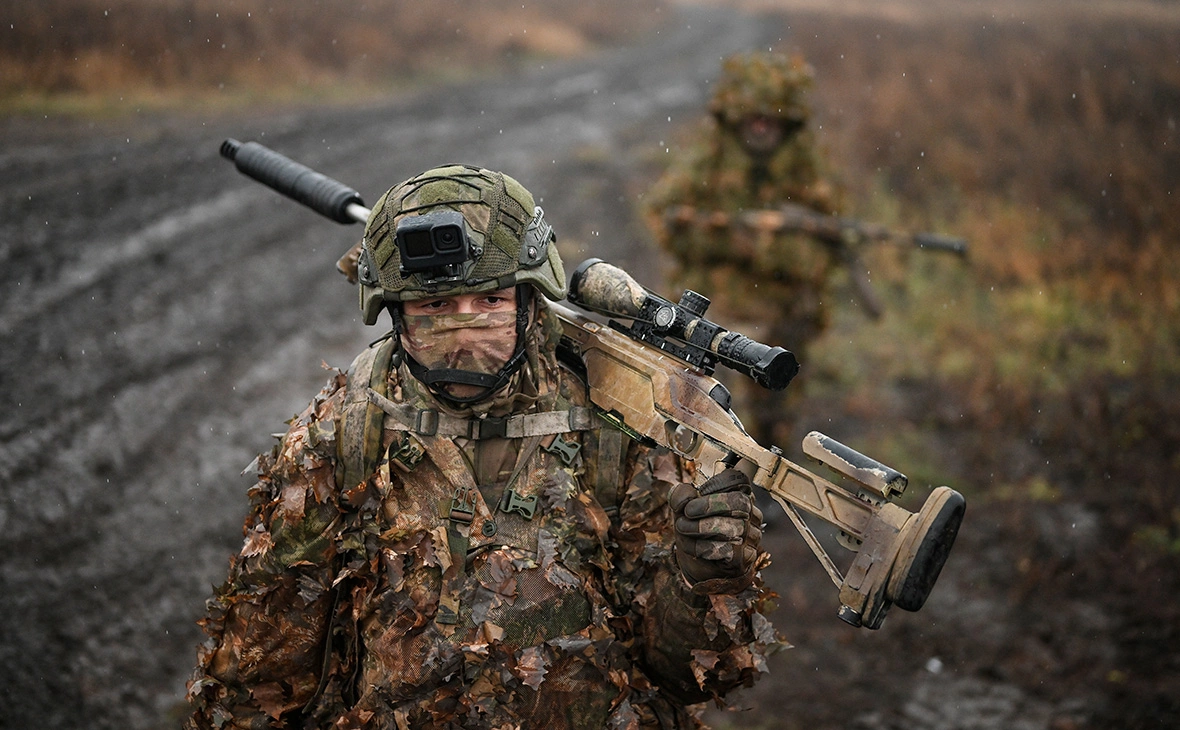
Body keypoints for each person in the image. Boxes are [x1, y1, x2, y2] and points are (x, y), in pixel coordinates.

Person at [184, 164, 778, 729]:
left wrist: (702, 581)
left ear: (529, 303)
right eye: (435, 308)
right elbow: (259, 678)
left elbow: (692, 678)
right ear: (394, 313)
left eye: (490, 303)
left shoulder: (616, 425)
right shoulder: (340, 437)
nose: (464, 336)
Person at [643, 51, 842, 449]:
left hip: (780, 309)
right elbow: (665, 219)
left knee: (775, 407)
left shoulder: (806, 173)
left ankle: (769, 459)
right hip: (714, 302)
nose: (762, 128)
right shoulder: (708, 163)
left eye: (772, 119)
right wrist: (726, 241)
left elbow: (827, 250)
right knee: (692, 406)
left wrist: (771, 253)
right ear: (736, 118)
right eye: (754, 118)